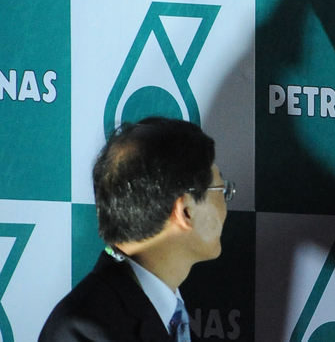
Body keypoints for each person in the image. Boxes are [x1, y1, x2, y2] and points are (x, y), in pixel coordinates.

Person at [39, 117, 231, 342]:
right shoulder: (83, 330)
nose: (226, 206)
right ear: (185, 211)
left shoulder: (171, 320)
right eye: (221, 190)